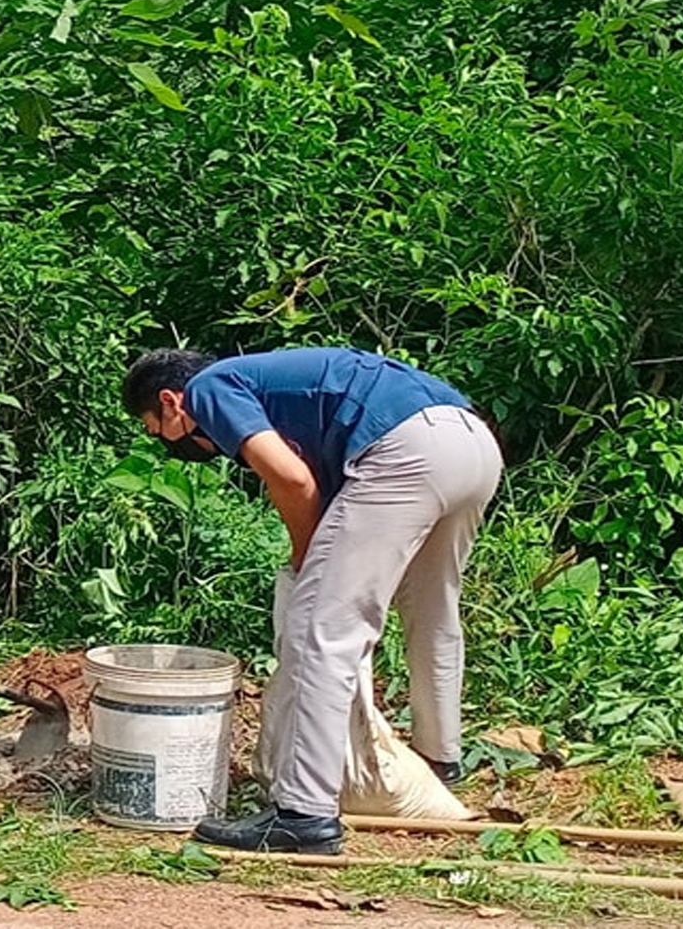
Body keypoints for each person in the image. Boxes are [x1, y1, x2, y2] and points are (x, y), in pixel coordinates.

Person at [121, 346, 503, 854]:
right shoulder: (272, 391)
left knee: (322, 629)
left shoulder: (209, 389)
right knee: (432, 610)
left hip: (406, 451)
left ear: (171, 402)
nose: (169, 441)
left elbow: (293, 481)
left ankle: (303, 814)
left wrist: (306, 562)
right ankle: (437, 762)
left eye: (156, 428)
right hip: (473, 445)